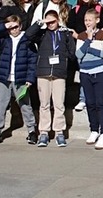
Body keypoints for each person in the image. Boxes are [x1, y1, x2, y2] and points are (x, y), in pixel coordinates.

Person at [0, 14, 39, 146]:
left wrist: (30, 79)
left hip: (20, 79)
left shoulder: (27, 40)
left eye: (16, 27)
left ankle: (32, 130)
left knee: (25, 105)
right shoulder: (4, 40)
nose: (13, 30)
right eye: (11, 27)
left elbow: (32, 61)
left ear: (20, 26)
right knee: (0, 106)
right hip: (5, 78)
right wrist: (4, 26)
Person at [28, 9, 75, 148]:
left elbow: (72, 52)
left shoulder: (65, 34)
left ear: (58, 20)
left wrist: (63, 57)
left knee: (59, 104)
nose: (50, 24)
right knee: (44, 104)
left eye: (52, 21)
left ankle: (59, 131)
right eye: (48, 22)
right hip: (43, 72)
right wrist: (40, 23)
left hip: (59, 73)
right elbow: (28, 35)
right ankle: (44, 132)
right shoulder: (42, 34)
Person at [75, 10, 103, 149]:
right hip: (85, 73)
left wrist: (90, 50)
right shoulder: (81, 36)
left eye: (90, 20)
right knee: (90, 103)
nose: (87, 23)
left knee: (101, 103)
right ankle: (94, 130)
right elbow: (78, 54)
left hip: (100, 72)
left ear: (97, 20)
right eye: (85, 20)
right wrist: (88, 41)